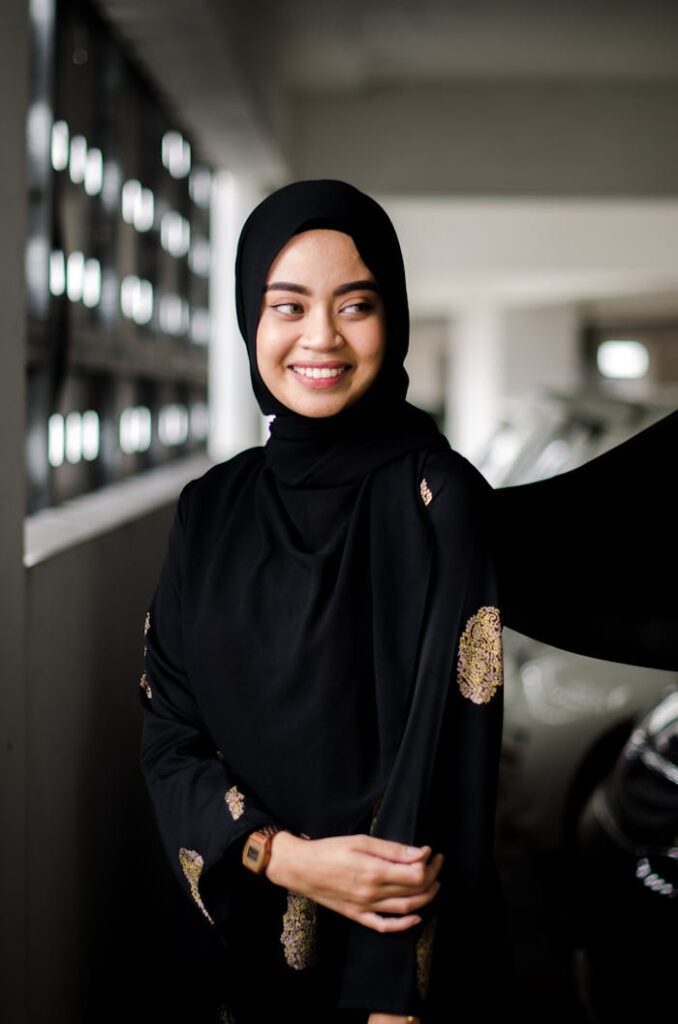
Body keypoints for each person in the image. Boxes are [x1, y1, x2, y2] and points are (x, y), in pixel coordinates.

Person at [136, 178, 517, 1023]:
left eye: (356, 305)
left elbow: (446, 763)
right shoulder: (210, 508)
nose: (322, 338)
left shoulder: (436, 498)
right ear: (250, 320)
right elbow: (169, 733)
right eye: (288, 306)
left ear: (396, 318)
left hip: (389, 971)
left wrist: (394, 1000)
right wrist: (280, 858)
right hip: (236, 946)